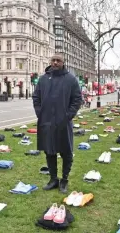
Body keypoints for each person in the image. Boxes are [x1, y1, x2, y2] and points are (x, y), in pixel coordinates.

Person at [32, 53, 82, 194]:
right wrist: (39, 112)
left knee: (67, 152)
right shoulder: (43, 79)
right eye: (53, 60)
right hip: (46, 122)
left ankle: (64, 180)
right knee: (49, 151)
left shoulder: (70, 79)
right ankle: (53, 179)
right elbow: (36, 97)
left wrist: (68, 116)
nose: (55, 63)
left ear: (63, 62)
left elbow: (77, 99)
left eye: (58, 60)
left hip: (63, 122)